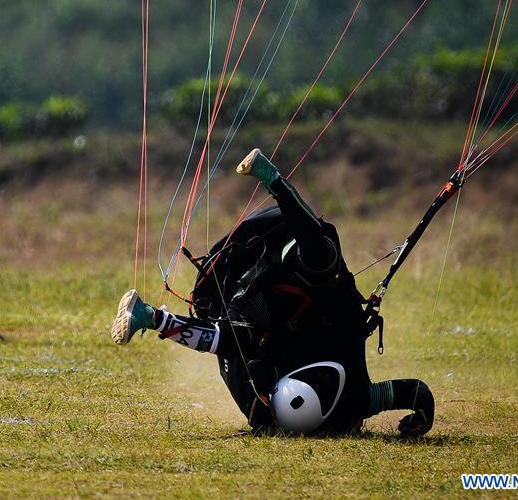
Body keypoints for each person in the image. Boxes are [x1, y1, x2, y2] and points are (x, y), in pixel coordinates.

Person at [111, 148, 434, 437]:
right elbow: (417, 392)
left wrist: (157, 319)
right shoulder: (357, 401)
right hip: (307, 285)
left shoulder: (271, 408)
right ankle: (273, 179)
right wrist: (422, 417)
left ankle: (147, 315)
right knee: (322, 259)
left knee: (236, 343)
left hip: (262, 305)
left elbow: (221, 340)